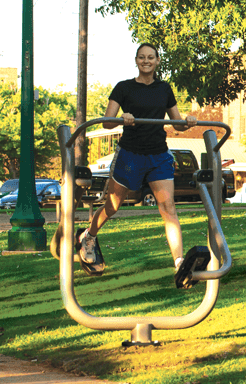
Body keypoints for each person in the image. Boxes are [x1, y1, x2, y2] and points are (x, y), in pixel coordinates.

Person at [77, 43, 198, 285]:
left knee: (168, 209)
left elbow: (176, 124)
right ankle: (88, 236)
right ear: (136, 60)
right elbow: (107, 123)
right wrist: (122, 118)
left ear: (157, 61)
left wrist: (188, 121)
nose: (146, 61)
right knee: (113, 206)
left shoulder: (165, 89)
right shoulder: (124, 88)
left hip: (158, 155)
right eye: (142, 57)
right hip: (130, 155)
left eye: (151, 57)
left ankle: (179, 262)